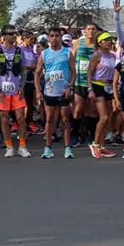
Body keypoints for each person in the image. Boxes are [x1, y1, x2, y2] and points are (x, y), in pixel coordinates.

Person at [0, 25, 31, 158]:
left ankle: (22, 146)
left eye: (15, 34)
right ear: (5, 36)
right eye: (11, 34)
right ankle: (9, 146)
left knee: (20, 117)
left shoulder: (19, 51)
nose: (14, 36)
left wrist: (22, 86)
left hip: (16, 90)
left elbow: (23, 70)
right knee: (4, 118)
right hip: (2, 90)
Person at [35, 26, 77, 159]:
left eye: (57, 36)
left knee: (65, 119)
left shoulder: (67, 52)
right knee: (49, 120)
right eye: (52, 36)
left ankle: (67, 148)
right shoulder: (44, 54)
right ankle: (48, 148)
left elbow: (73, 72)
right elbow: (37, 73)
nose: (54, 38)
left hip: (63, 91)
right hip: (49, 91)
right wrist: (38, 90)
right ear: (48, 38)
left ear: (60, 37)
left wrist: (70, 86)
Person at [85, 32, 117, 158]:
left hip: (109, 86)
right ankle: (95, 144)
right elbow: (89, 73)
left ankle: (102, 146)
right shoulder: (96, 55)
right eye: (105, 40)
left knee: (107, 118)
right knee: (103, 117)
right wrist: (90, 89)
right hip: (98, 85)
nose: (108, 42)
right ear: (100, 42)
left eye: (109, 40)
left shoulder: (113, 56)